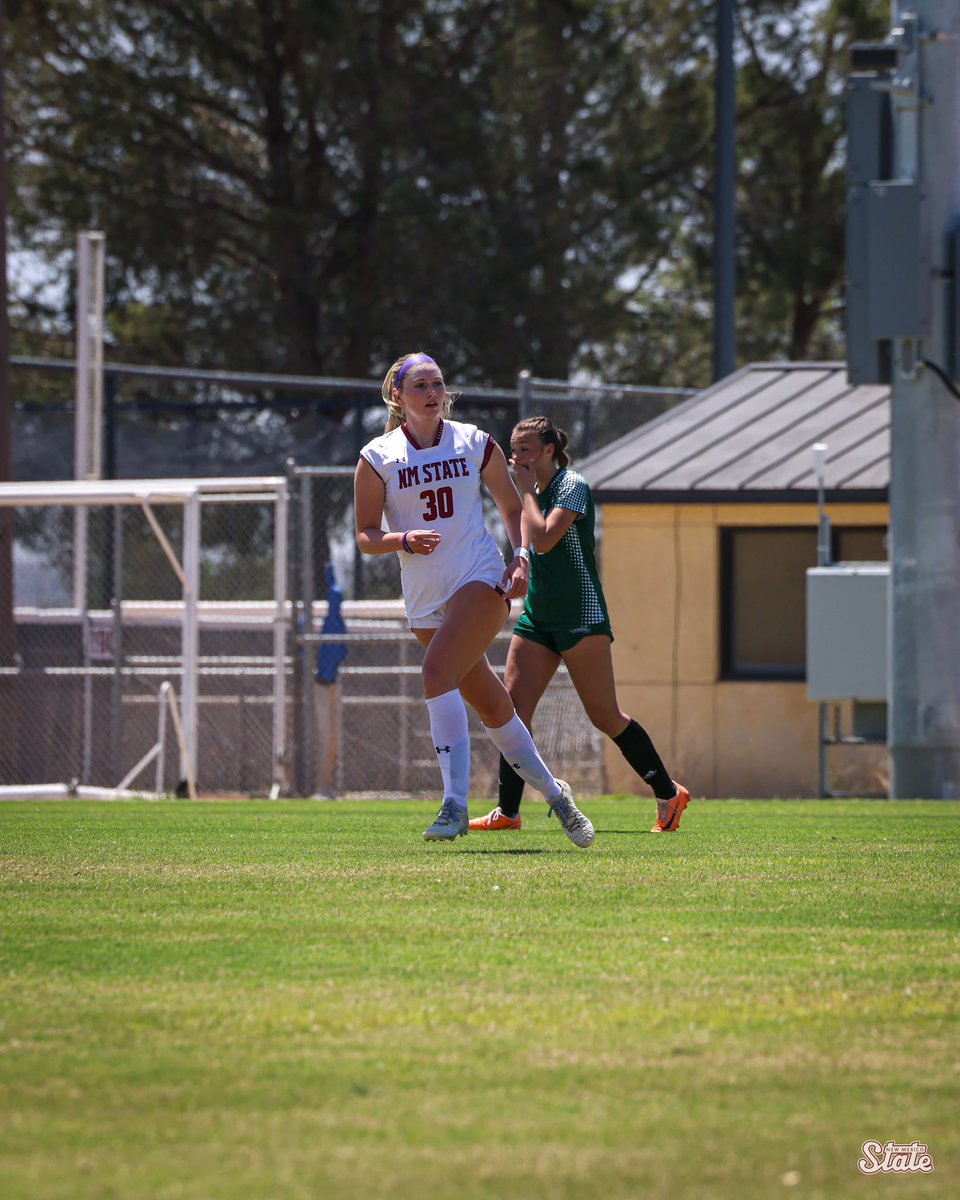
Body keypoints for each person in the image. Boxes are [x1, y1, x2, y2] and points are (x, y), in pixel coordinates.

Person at [353, 353, 595, 847]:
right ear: (397, 396)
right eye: (420, 384)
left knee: (435, 673)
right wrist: (400, 540)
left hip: (481, 578)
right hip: (424, 596)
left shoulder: (473, 442)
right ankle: (556, 796)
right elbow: (364, 535)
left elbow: (511, 508)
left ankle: (453, 806)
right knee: (492, 706)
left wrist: (521, 557)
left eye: (437, 382)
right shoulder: (376, 456)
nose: (432, 391)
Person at [468, 415, 690, 835]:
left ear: (550, 450)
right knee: (511, 712)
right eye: (514, 450)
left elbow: (546, 538)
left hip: (581, 616)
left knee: (605, 715)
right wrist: (523, 494)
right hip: (538, 616)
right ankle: (508, 812)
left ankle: (668, 792)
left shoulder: (572, 486)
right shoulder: (529, 493)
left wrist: (526, 492)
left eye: (527, 450)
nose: (518, 458)